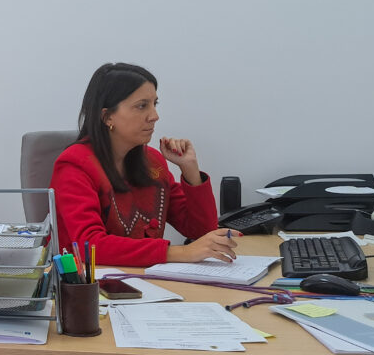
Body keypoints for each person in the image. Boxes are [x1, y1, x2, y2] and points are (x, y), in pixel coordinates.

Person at [50, 62, 235, 267]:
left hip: (147, 279)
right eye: (142, 106)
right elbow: (90, 245)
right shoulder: (74, 165)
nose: (155, 116)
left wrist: (190, 171)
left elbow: (202, 232)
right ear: (107, 117)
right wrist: (180, 252)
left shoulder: (152, 161)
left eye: (155, 104)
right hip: (91, 283)